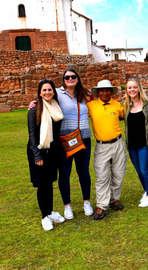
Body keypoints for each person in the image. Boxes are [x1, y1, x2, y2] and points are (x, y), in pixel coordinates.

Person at [27, 79, 66, 231]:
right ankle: (45, 216)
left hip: (52, 151)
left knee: (49, 183)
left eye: (50, 90)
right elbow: (32, 134)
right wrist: (37, 156)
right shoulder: (35, 109)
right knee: (43, 185)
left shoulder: (56, 107)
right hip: (39, 151)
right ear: (39, 93)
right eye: (44, 90)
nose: (47, 92)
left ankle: (50, 212)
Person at [57, 67, 94, 219]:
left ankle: (86, 201)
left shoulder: (84, 94)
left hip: (83, 137)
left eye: (73, 77)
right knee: (65, 173)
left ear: (77, 78)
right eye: (67, 77)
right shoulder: (58, 93)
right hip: (65, 139)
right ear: (63, 80)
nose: (70, 79)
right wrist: (33, 104)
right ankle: (67, 206)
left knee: (83, 171)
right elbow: (43, 100)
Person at [87, 80, 127, 220]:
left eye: (107, 90)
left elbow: (126, 115)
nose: (104, 92)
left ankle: (113, 199)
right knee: (102, 176)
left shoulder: (117, 105)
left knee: (119, 173)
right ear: (98, 92)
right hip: (101, 145)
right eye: (102, 90)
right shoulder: (90, 106)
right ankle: (102, 205)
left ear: (111, 91)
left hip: (118, 143)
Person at [123, 78, 148, 207]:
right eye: (129, 88)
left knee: (145, 169)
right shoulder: (126, 106)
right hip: (132, 144)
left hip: (144, 143)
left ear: (139, 88)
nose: (132, 90)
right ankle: (146, 191)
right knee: (138, 171)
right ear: (127, 90)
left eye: (134, 87)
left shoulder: (147, 103)